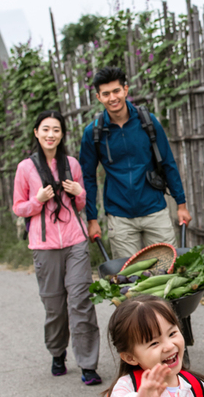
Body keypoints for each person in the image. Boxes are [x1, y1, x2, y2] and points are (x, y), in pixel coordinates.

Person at [13, 110, 102, 385]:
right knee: (54, 307)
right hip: (44, 245)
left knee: (81, 303)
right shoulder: (25, 168)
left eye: (56, 130)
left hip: (75, 241)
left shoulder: (72, 164)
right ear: (36, 133)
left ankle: (88, 365)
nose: (51, 135)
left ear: (62, 134)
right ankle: (57, 351)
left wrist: (80, 193)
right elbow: (18, 207)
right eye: (45, 129)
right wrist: (37, 200)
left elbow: (80, 203)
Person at [79, 66, 191, 259]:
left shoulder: (147, 122)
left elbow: (168, 164)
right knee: (130, 281)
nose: (112, 98)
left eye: (116, 91)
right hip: (119, 216)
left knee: (166, 274)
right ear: (98, 97)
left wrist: (181, 205)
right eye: (106, 94)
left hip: (155, 210)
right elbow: (87, 178)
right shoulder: (93, 132)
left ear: (125, 90)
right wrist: (91, 219)